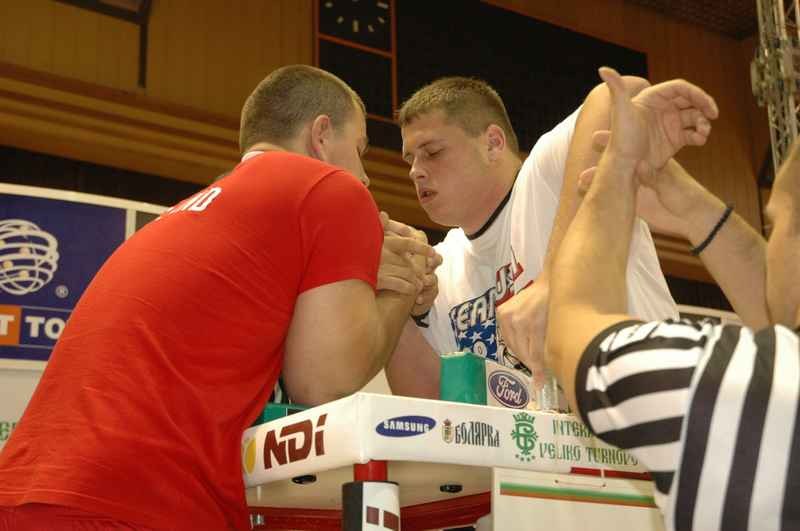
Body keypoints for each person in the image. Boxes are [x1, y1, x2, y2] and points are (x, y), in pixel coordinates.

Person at [0, 65, 434, 531]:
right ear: (321, 136)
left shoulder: (189, 213)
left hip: (26, 491)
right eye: (361, 150)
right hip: (135, 501)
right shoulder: (328, 187)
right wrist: (402, 285)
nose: (365, 177)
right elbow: (325, 380)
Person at [547, 66, 800, 528]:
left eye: (776, 225)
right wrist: (692, 207)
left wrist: (619, 166)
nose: (772, 241)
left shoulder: (726, 387)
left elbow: (572, 324)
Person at [386, 74, 678, 397]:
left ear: (493, 143)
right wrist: (395, 300)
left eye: (432, 152)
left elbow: (621, 94)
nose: (415, 171)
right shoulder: (440, 266)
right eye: (410, 159)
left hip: (664, 419)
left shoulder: (542, 175)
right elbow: (430, 411)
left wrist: (553, 278)